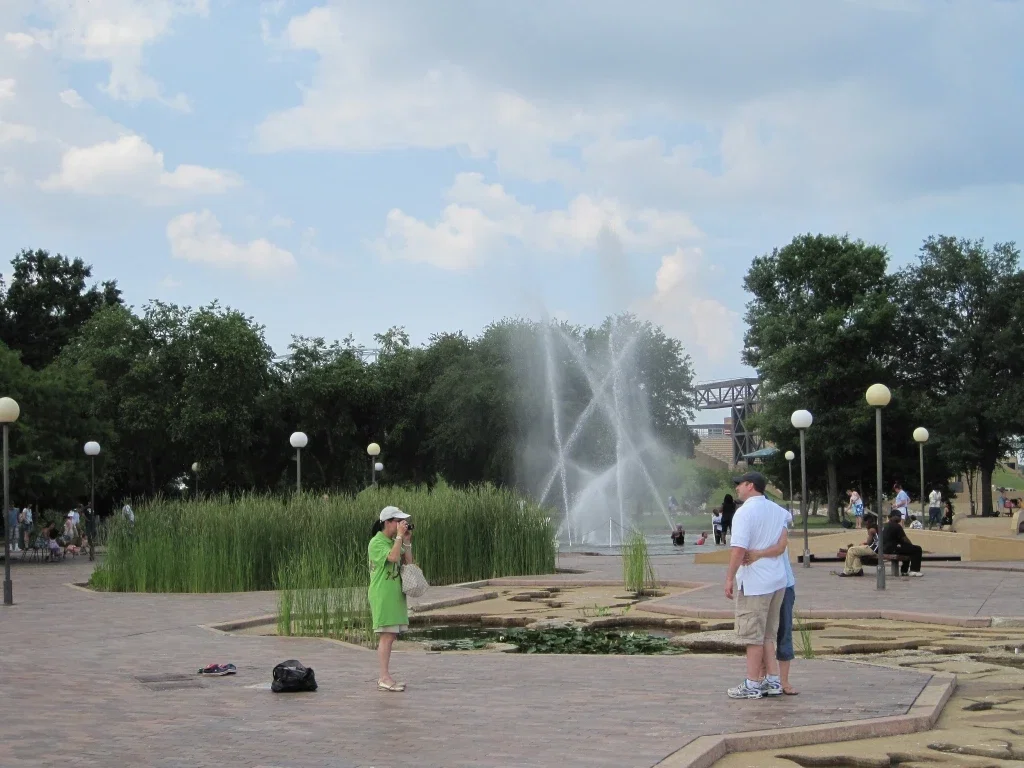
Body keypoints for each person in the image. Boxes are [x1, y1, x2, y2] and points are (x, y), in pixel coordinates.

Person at [724, 471, 790, 700]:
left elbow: (738, 549)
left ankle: (752, 683)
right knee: (768, 634)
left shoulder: (744, 513)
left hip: (755, 582)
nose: (737, 488)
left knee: (753, 635)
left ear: (750, 485)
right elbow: (781, 546)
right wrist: (762, 553)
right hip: (777, 580)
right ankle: (773, 680)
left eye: (740, 484)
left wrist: (729, 578)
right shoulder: (779, 511)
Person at [744, 508, 799, 695]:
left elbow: (780, 547)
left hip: (783, 584)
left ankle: (783, 680)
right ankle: (763, 676)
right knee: (760, 632)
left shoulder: (778, 522)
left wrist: (758, 554)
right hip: (760, 585)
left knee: (783, 630)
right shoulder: (751, 525)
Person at [368, 505, 414, 692]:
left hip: (395, 594)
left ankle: (386, 676)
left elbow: (408, 562)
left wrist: (406, 541)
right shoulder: (376, 542)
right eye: (398, 521)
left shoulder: (393, 541)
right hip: (383, 594)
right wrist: (399, 537)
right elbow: (393, 557)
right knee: (386, 635)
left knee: (392, 635)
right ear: (387, 522)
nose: (402, 524)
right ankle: (383, 677)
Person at [882, 510, 923, 576]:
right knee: (917, 549)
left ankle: (904, 571)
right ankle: (914, 570)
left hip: (885, 548)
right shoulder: (896, 526)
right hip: (892, 549)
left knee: (906, 548)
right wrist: (911, 545)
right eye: (899, 516)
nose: (900, 518)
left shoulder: (885, 525)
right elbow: (905, 539)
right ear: (893, 516)